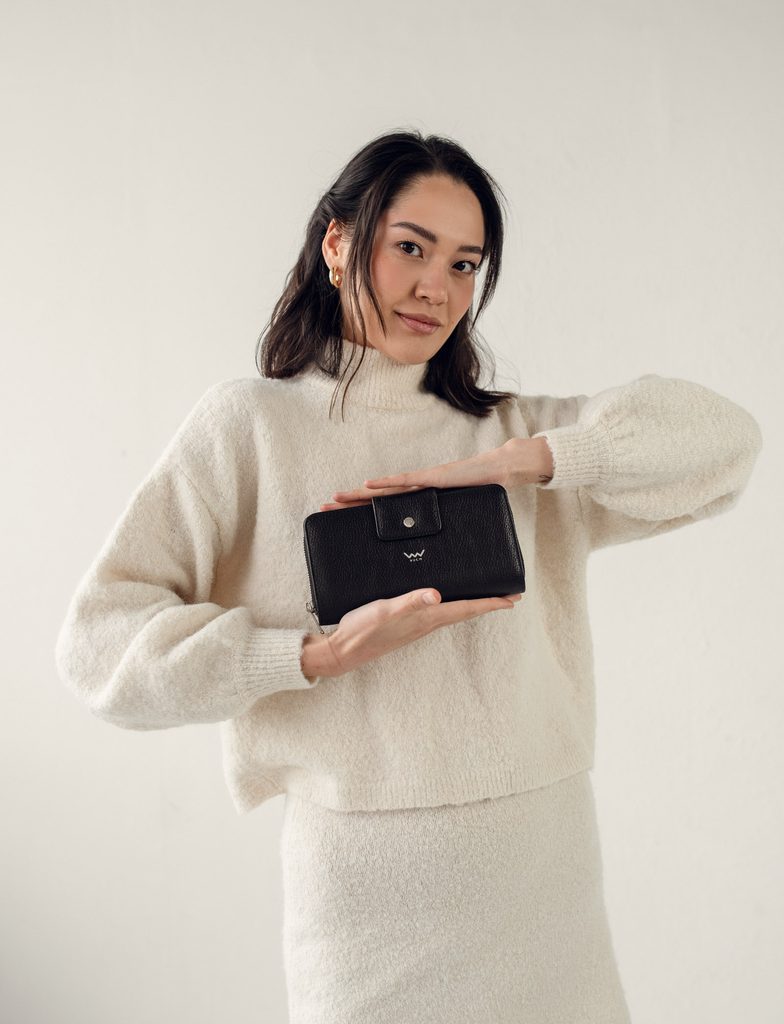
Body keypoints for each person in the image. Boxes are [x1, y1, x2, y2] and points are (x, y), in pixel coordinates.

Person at [54, 129, 763, 1023]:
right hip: (362, 900)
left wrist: (533, 459)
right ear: (338, 242)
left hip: (542, 881)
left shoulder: (517, 433)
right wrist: (309, 656)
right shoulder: (248, 427)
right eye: (412, 248)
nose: (438, 288)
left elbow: (728, 441)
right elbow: (98, 647)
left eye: (465, 264)